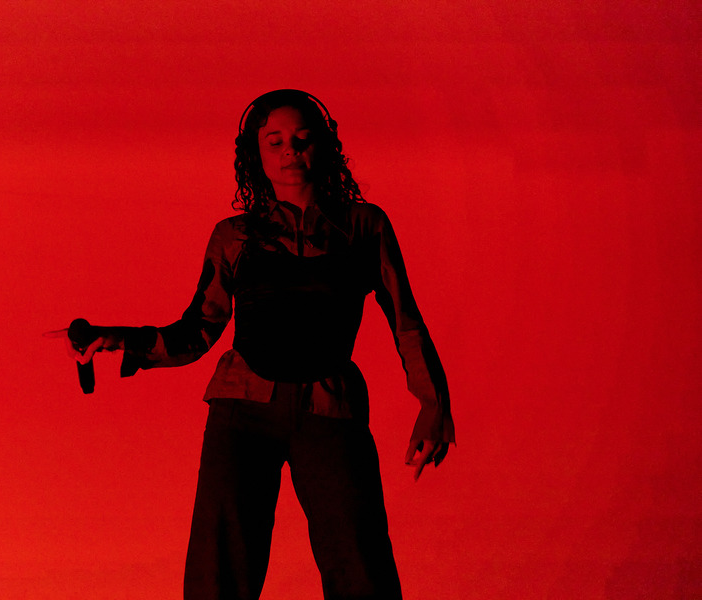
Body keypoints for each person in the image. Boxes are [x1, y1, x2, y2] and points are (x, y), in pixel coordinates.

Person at [64, 89, 455, 600]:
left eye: (302, 138)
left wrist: (433, 405)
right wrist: (122, 339)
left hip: (330, 409)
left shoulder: (364, 226)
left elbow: (406, 322)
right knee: (219, 571)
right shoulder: (235, 236)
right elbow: (198, 329)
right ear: (257, 153)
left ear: (324, 146)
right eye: (275, 141)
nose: (290, 150)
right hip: (242, 410)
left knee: (361, 569)